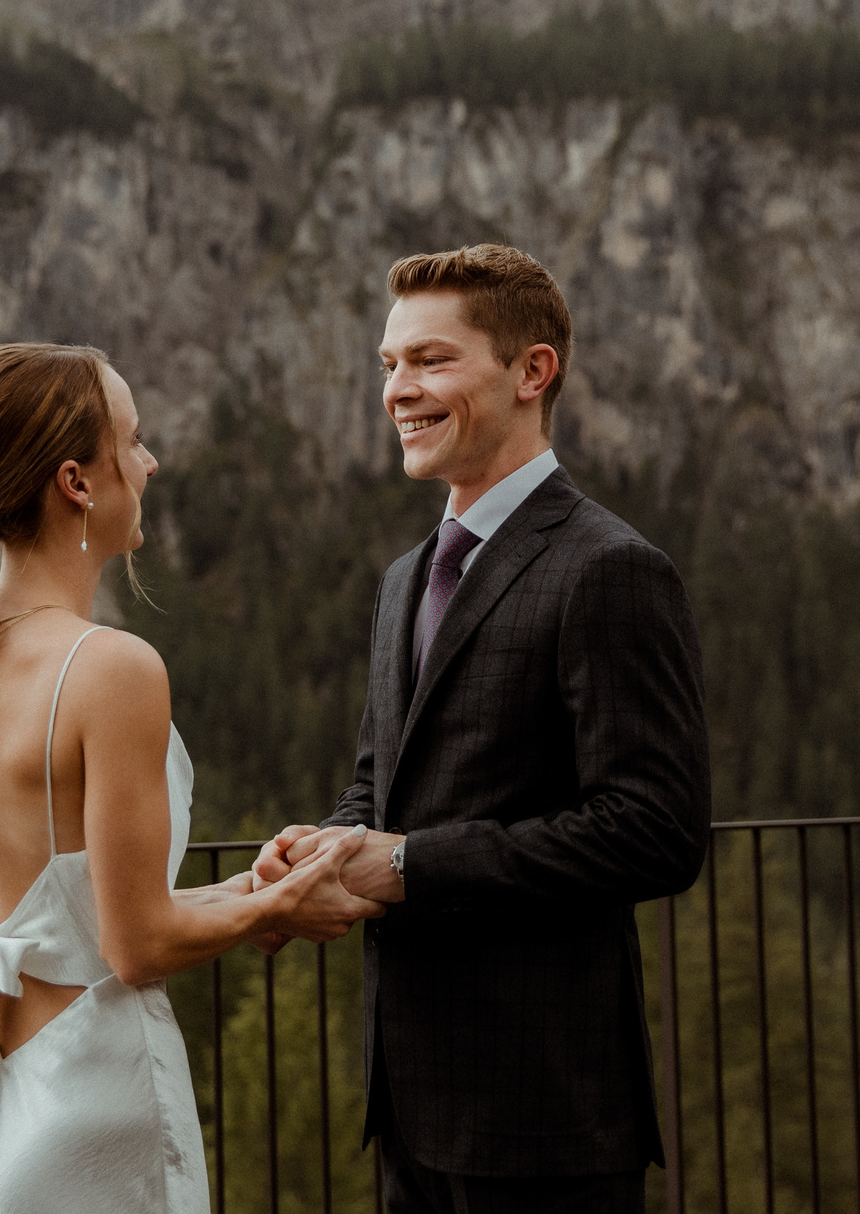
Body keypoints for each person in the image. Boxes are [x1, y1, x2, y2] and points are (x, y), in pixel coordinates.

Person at [0, 342, 385, 1214]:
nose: (149, 463)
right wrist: (276, 908)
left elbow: (76, 919)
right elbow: (135, 945)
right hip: (97, 1110)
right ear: (77, 480)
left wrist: (248, 887)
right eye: (134, 439)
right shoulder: (110, 668)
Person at [256, 244, 711, 1214]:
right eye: (388, 366)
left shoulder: (610, 569)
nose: (397, 390)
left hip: (542, 1117)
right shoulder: (402, 579)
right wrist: (322, 851)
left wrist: (411, 865)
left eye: (430, 361)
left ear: (530, 371)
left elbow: (654, 832)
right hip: (409, 1116)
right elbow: (381, 789)